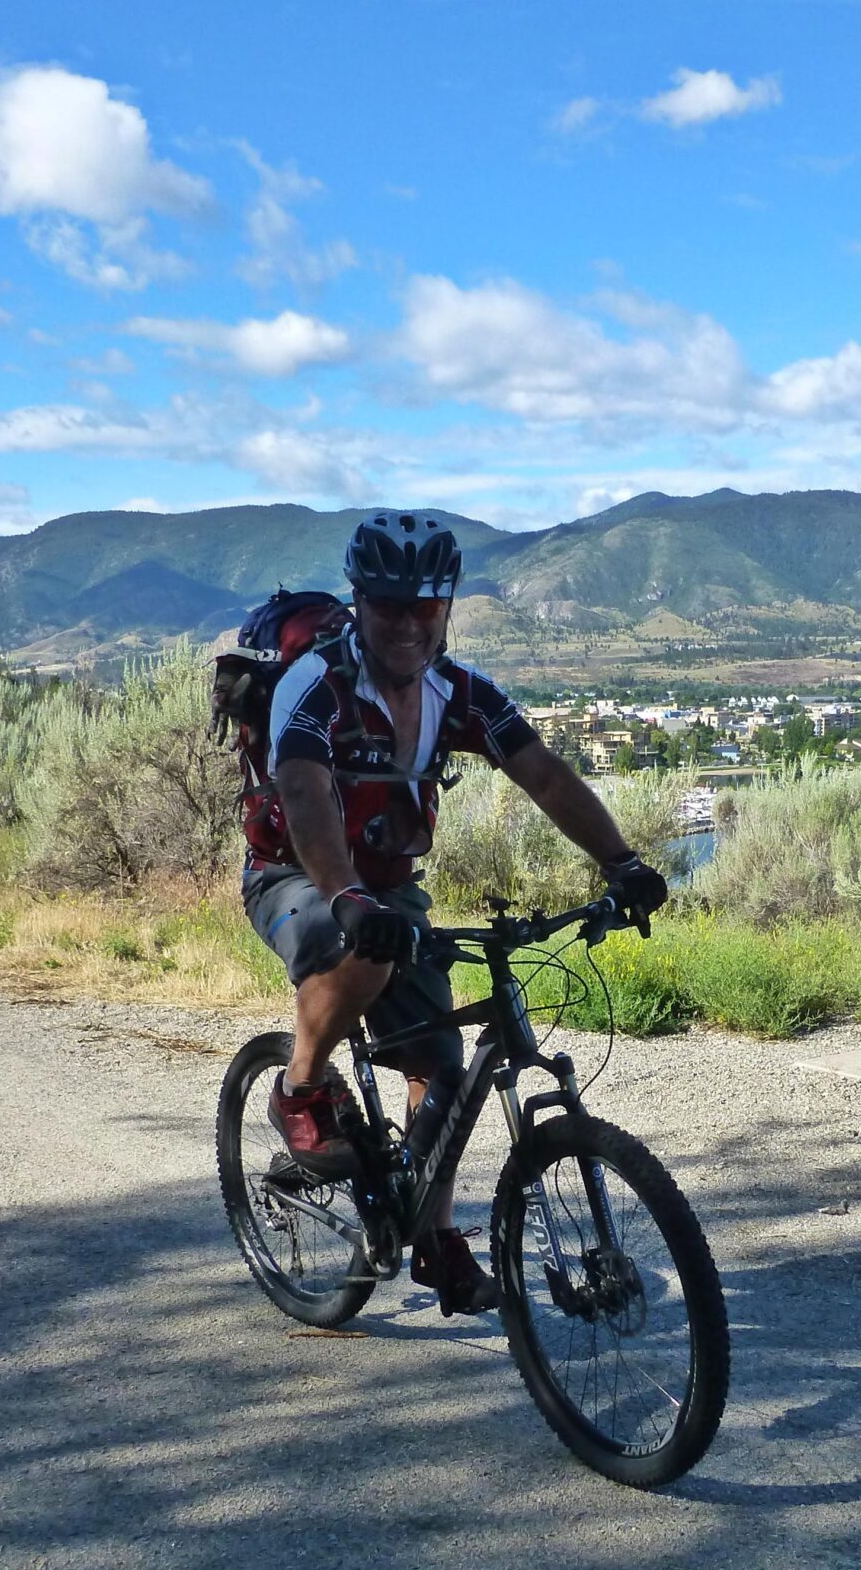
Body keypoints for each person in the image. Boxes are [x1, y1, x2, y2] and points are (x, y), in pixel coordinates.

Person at [241, 509, 668, 1314]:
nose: (406, 624)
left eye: (424, 608)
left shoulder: (459, 691)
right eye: (388, 606)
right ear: (360, 603)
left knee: (439, 1063)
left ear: (446, 610)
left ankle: (432, 1233)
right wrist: (346, 894)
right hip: (295, 873)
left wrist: (623, 862)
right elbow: (302, 790)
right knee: (361, 949)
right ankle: (299, 1088)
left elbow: (543, 774)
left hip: (388, 885)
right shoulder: (319, 683)